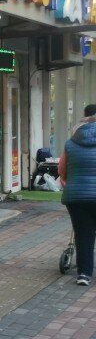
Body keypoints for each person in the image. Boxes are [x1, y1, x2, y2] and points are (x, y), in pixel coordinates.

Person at [59, 103, 96, 286]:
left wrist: (70, 182)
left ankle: (84, 274)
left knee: (83, 235)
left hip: (77, 196)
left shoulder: (70, 143)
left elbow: (62, 170)